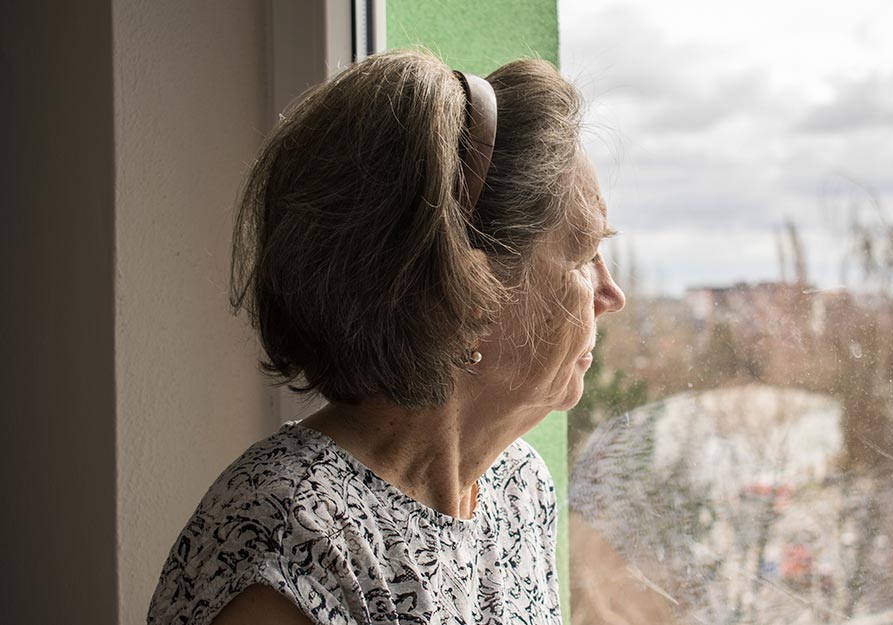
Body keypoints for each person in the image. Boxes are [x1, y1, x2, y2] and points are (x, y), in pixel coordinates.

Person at [147, 48, 625, 625]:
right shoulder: (295, 539)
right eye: (585, 254)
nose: (611, 294)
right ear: (465, 292)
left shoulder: (519, 490)